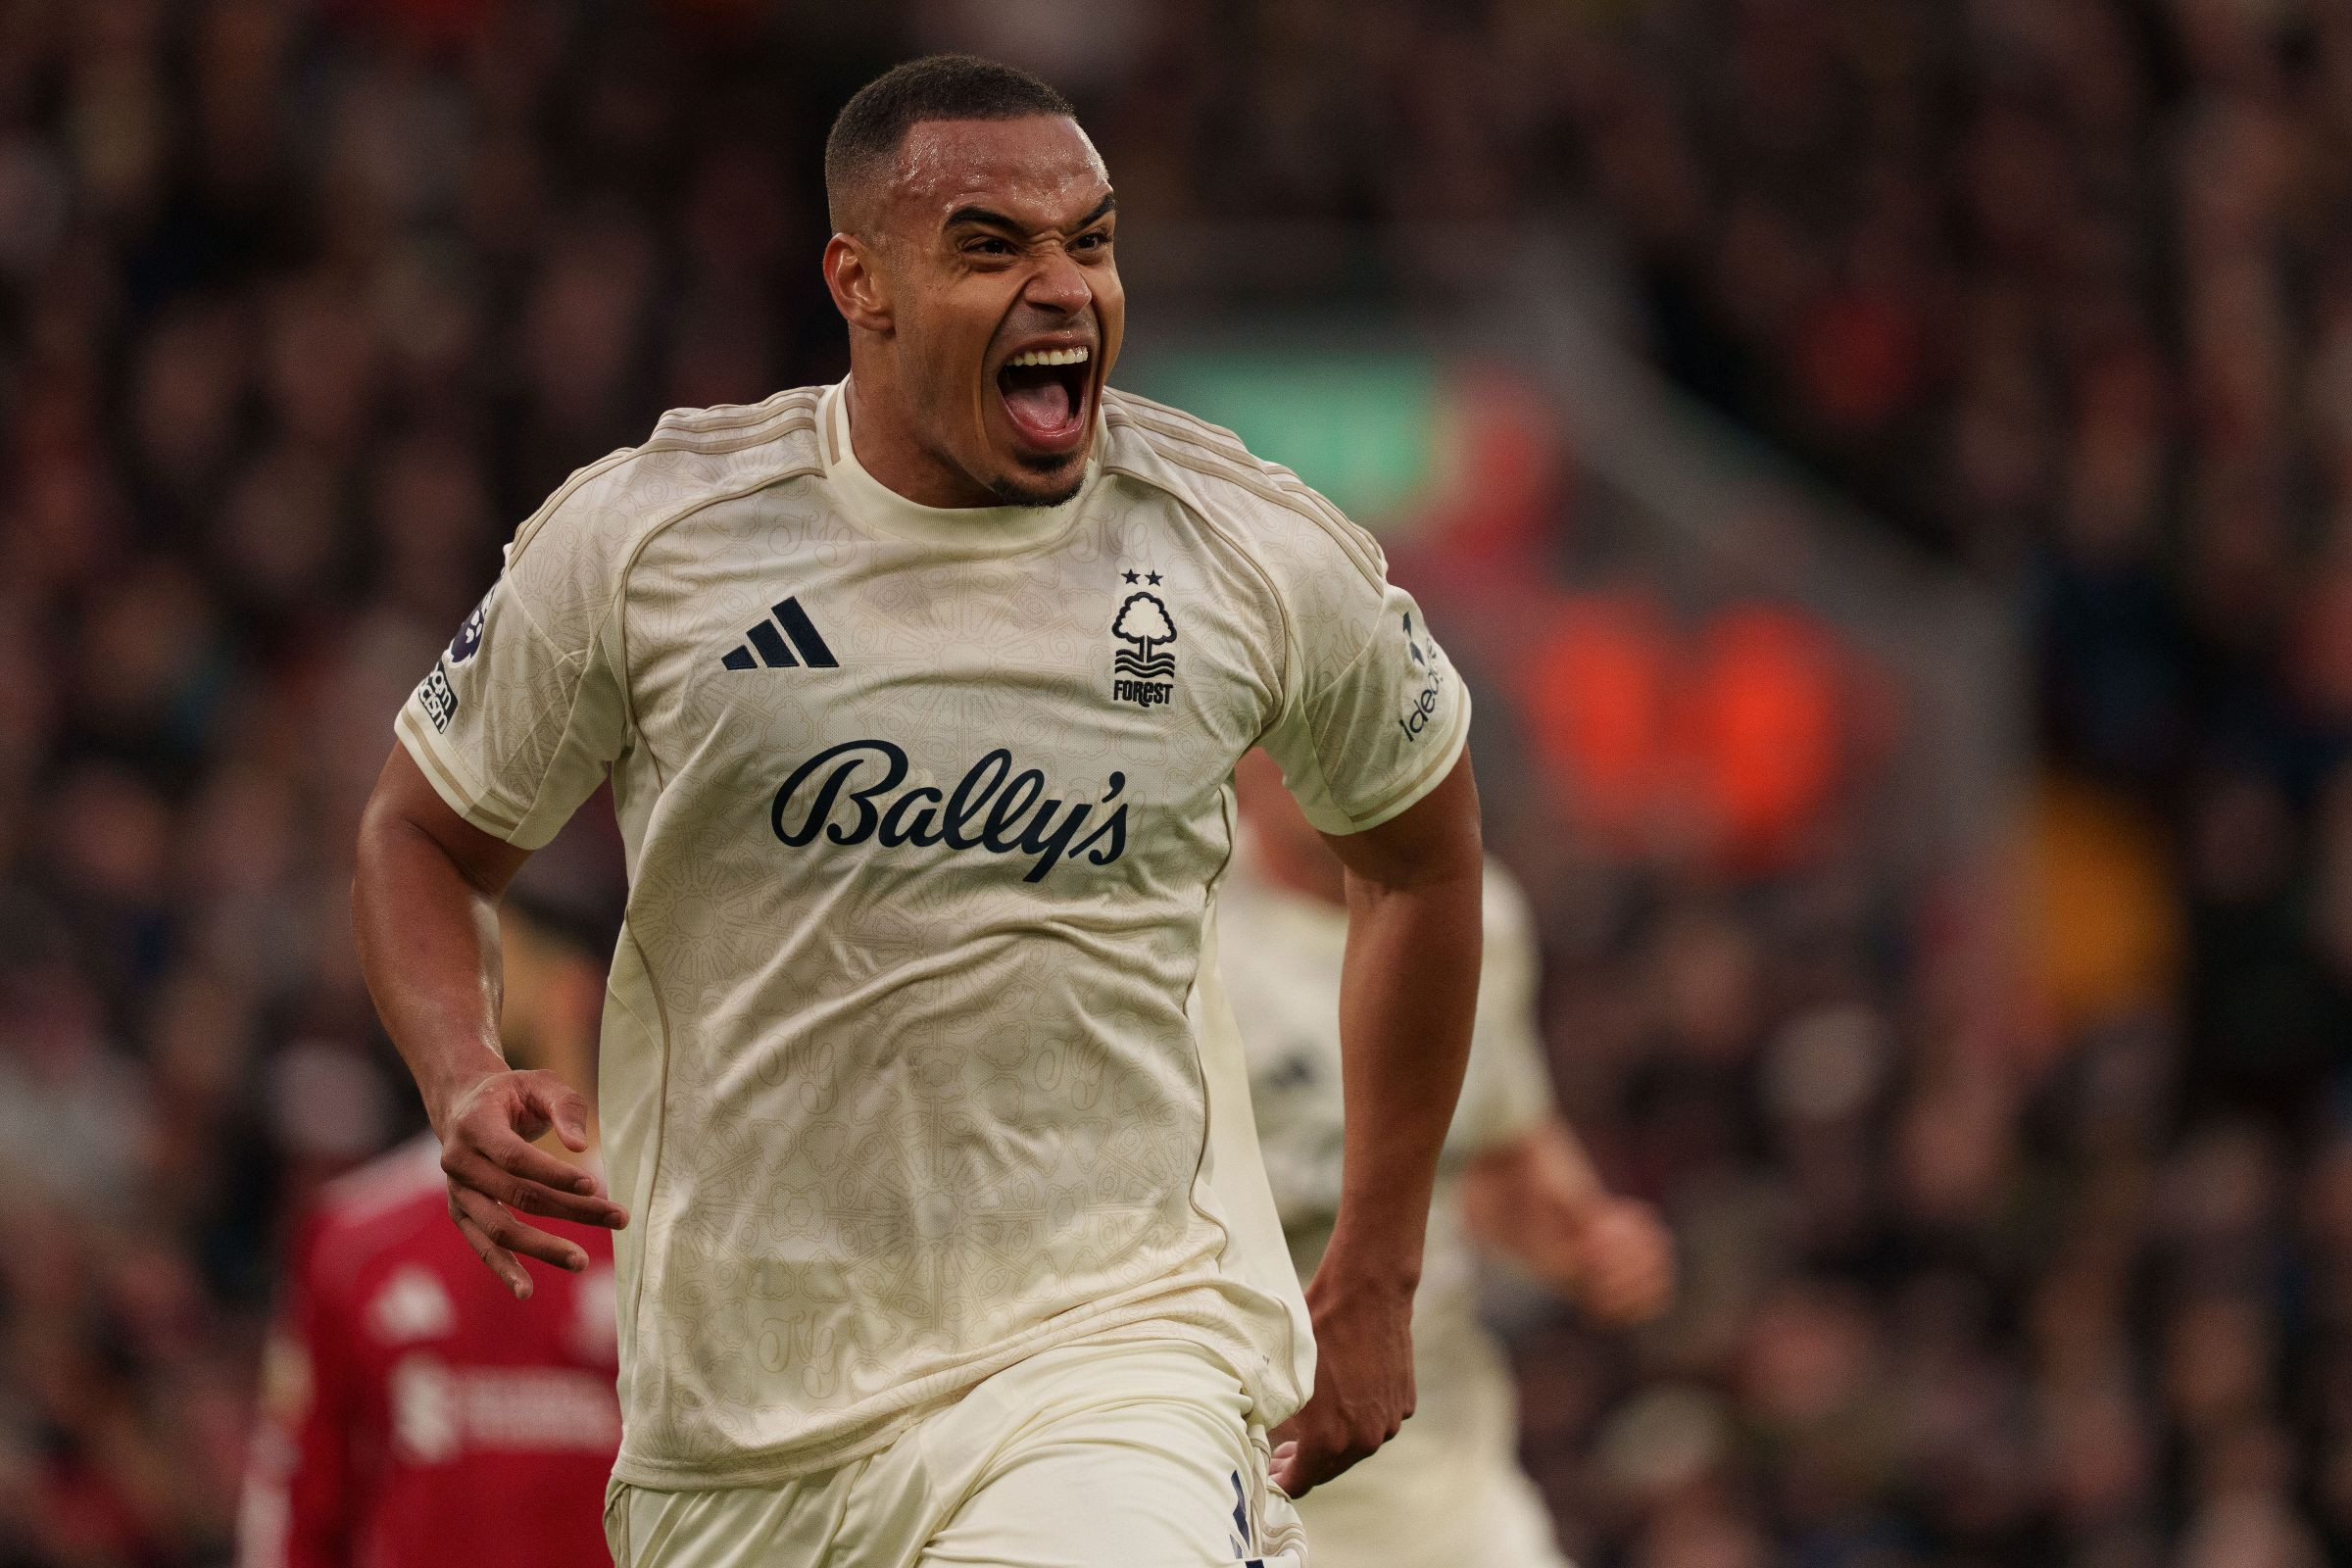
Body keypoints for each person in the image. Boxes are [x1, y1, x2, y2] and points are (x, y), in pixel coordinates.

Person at [348, 53, 1485, 1568]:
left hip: (1109, 1369)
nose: (1064, 287)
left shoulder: (1245, 549)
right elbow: (421, 836)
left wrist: (1379, 1269)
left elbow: (1420, 859)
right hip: (734, 1440)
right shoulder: (651, 540)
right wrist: (459, 1071)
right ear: (859, 282)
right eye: (991, 247)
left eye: (1090, 240)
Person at [1223, 749, 1676, 1567]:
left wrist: (1592, 1246)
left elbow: (1497, 1154)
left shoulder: (1476, 910)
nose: (1306, 748)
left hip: (1439, 1468)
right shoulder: (1181, 927)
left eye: (1332, 719)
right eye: (1277, 724)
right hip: (1230, 1473)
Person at [236, 887, 621, 1568]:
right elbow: (296, 1497)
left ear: (573, 990)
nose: (454, 991)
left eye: (489, 961)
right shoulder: (352, 1234)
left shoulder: (669, 1234)